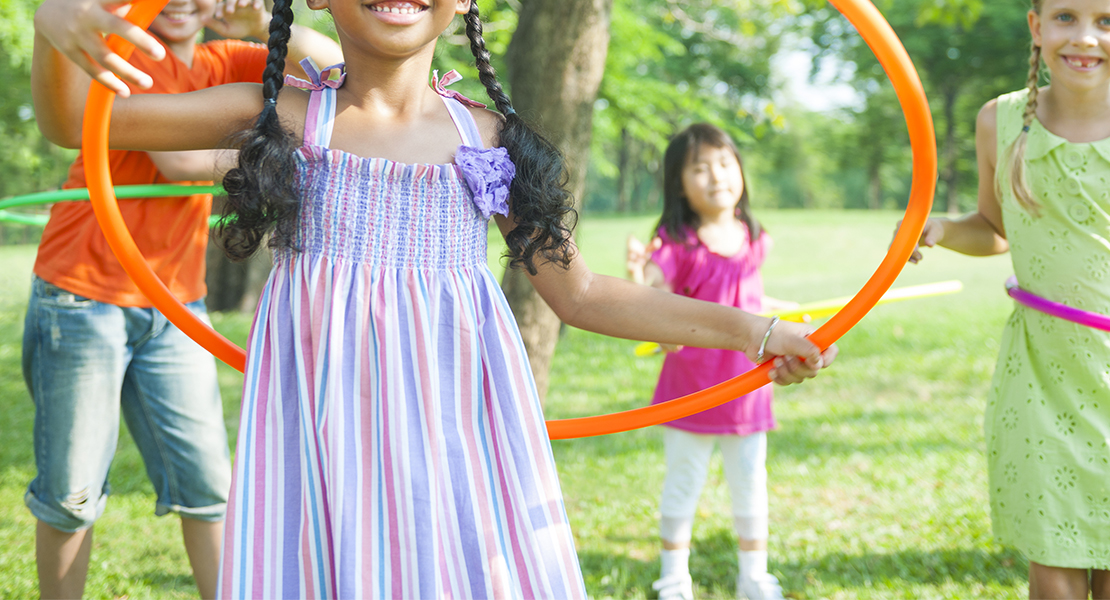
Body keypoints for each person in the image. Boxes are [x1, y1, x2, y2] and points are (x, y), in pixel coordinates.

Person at [31, 0, 839, 597]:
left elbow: (584, 294)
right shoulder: (274, 118)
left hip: (455, 453)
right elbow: (76, 124)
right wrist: (50, 17)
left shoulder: (487, 140)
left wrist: (754, 329)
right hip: (322, 448)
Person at [23, 1, 341, 598]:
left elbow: (343, 70)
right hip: (81, 292)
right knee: (71, 494)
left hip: (174, 303)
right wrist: (281, 156)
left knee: (209, 488)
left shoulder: (230, 61)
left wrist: (263, 28)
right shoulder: (125, 56)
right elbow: (179, 162)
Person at [905, 0, 1110, 597]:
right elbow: (996, 231)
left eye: (1106, 21)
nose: (1087, 38)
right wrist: (942, 230)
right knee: (1054, 556)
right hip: (1044, 372)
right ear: (1036, 26)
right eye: (1066, 17)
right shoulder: (1002, 120)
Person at [626, 123, 796, 600]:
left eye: (724, 163)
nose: (716, 175)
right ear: (679, 184)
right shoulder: (676, 244)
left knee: (750, 485)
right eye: (699, 168)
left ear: (740, 169)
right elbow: (656, 307)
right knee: (684, 483)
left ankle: (754, 576)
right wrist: (640, 276)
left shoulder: (754, 238)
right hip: (691, 392)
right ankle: (674, 580)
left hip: (748, 391)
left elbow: (747, 297)